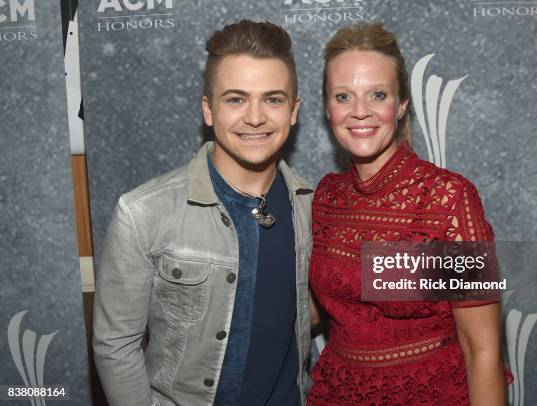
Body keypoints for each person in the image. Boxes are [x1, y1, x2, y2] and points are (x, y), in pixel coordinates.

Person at [93, 20, 313, 406]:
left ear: (293, 111)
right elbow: (115, 345)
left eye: (273, 99)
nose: (256, 117)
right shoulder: (144, 212)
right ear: (208, 110)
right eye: (235, 99)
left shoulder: (313, 206)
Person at [308, 23, 512, 405]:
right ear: (327, 108)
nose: (360, 112)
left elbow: (481, 350)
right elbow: (319, 311)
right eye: (343, 96)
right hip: (335, 394)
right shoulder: (327, 197)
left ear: (400, 105)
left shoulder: (447, 200)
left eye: (377, 95)